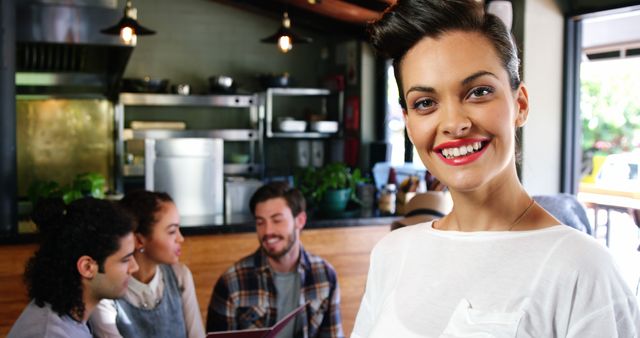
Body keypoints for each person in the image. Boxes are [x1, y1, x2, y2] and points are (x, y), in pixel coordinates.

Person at [352, 0, 640, 337]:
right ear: (409, 122)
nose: (454, 123)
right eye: (425, 103)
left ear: (520, 105)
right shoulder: (392, 253)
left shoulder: (583, 270)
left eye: (478, 92)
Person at [207, 181, 344, 338]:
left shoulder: (325, 275)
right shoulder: (231, 282)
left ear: (300, 220)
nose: (268, 231)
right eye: (260, 222)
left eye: (277, 220)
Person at [8, 197, 138, 338]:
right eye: (125, 260)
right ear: (87, 267)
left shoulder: (69, 314)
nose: (134, 267)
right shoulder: (52, 333)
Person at [90, 190, 205, 338]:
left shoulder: (180, 275)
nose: (180, 238)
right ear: (139, 240)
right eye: (171, 231)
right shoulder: (106, 288)